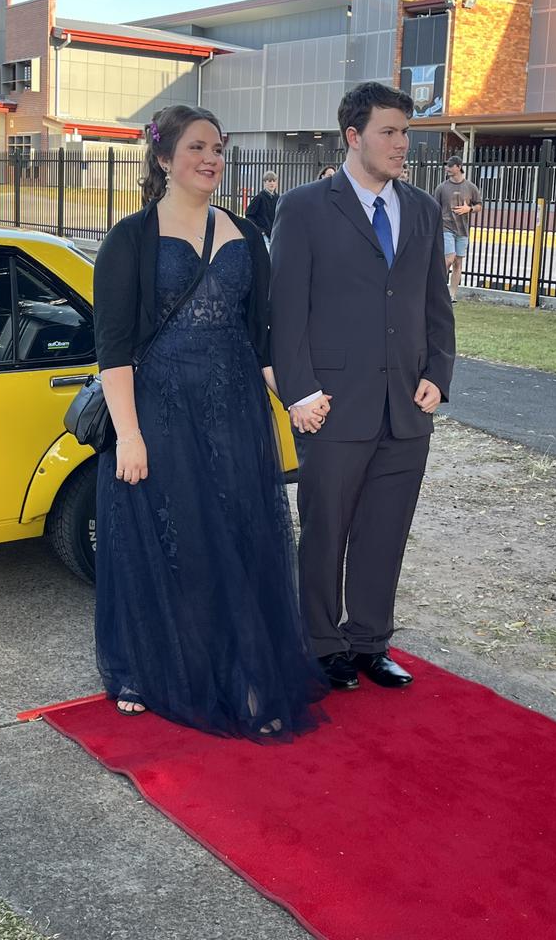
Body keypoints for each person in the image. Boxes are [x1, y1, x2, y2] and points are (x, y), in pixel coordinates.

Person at [92, 104, 327, 741]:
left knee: (239, 540)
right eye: (197, 147)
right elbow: (113, 347)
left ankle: (240, 670)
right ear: (164, 158)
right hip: (160, 415)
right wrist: (130, 435)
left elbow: (262, 339)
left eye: (218, 148)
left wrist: (295, 397)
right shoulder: (130, 238)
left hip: (233, 416)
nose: (211, 159)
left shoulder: (248, 235)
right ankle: (148, 667)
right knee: (172, 544)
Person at [270, 81, 455, 692]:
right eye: (390, 132)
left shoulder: (424, 209)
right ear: (354, 136)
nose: (403, 144)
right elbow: (285, 312)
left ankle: (369, 643)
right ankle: (322, 644)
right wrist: (297, 392)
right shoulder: (303, 208)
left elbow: (435, 304)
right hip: (332, 407)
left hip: (406, 408)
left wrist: (437, 373)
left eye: (407, 132)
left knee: (384, 531)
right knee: (324, 531)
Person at [433, 156, 482, 303]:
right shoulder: (441, 187)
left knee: (458, 262)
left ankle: (452, 295)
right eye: (446, 166)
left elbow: (479, 205)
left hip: (462, 230)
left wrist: (469, 208)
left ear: (459, 166)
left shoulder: (471, 187)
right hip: (445, 227)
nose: (447, 168)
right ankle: (437, 288)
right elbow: (435, 208)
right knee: (449, 258)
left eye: (450, 166)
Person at [244, 170, 279, 245]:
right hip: (264, 236)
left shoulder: (278, 198)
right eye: (269, 181)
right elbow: (249, 215)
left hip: (275, 234)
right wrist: (260, 231)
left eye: (274, 181)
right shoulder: (259, 198)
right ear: (264, 183)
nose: (272, 183)